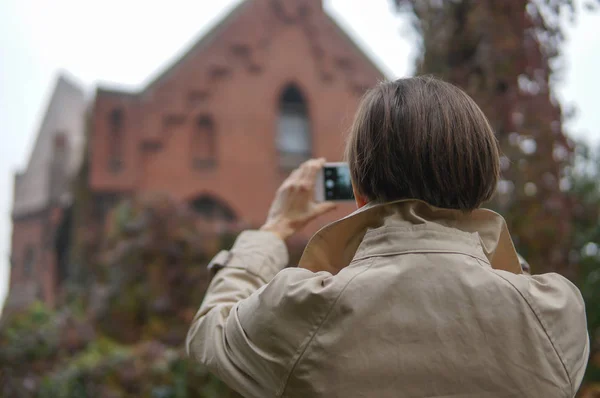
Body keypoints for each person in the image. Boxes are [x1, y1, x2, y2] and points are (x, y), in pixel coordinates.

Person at [186, 76, 589, 397]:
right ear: (482, 181)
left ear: (359, 192)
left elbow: (211, 333)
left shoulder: (301, 308)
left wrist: (273, 230)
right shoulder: (556, 314)